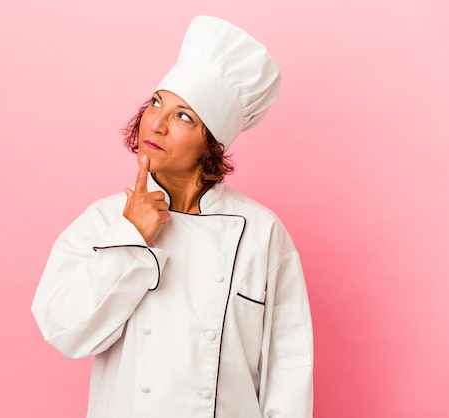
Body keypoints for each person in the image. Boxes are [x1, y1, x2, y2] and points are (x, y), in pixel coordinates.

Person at [32, 15, 313, 418]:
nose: (157, 124)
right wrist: (130, 237)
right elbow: (65, 332)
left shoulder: (262, 233)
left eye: (184, 116)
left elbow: (289, 370)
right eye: (156, 102)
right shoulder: (105, 220)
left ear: (211, 143)